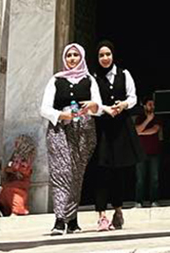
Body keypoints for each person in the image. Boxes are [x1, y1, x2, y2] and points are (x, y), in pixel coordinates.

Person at [40, 42, 102, 235]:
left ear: (81, 57)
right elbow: (44, 108)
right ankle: (59, 220)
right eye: (69, 56)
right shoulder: (56, 80)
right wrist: (62, 115)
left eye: (76, 55)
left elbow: (98, 107)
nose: (72, 59)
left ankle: (72, 219)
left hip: (84, 130)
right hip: (60, 129)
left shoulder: (89, 80)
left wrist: (92, 106)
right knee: (62, 172)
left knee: (76, 174)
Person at [91, 40, 143, 231]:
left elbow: (133, 97)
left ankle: (118, 211)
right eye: (101, 55)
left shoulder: (124, 74)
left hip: (121, 128)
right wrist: (106, 109)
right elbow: (94, 103)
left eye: (108, 54)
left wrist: (123, 105)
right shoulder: (94, 77)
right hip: (103, 128)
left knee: (120, 172)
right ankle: (101, 215)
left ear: (113, 55)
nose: (105, 58)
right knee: (102, 172)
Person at [0, 134, 37, 217]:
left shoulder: (28, 157)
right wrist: (12, 169)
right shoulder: (14, 155)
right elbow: (8, 167)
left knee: (13, 191)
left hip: (21, 181)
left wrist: (16, 169)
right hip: (12, 179)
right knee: (3, 190)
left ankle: (16, 211)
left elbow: (26, 170)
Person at [134, 98, 161, 208]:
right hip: (141, 153)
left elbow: (155, 130)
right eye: (150, 105)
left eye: (153, 105)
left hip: (154, 152)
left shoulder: (157, 118)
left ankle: (154, 200)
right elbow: (136, 131)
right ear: (144, 106)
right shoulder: (139, 118)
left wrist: (141, 132)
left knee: (154, 178)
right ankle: (138, 201)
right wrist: (148, 120)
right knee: (140, 179)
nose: (152, 107)